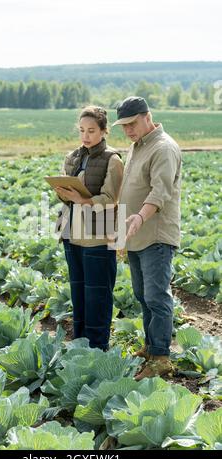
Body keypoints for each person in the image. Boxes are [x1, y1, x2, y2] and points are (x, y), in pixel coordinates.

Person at [112, 96, 181, 380]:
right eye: (124, 126)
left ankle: (161, 357)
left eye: (132, 123)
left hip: (155, 234)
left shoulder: (163, 148)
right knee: (142, 295)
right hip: (135, 234)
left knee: (156, 295)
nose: (128, 130)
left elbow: (159, 192)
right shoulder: (136, 147)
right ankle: (150, 347)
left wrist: (140, 217)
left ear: (147, 116)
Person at [55, 106, 123, 351]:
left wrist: (83, 200)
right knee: (79, 294)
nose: (85, 136)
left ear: (104, 131)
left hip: (99, 237)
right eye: (82, 130)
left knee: (98, 296)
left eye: (91, 131)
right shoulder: (72, 156)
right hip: (72, 235)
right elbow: (68, 198)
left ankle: (98, 347)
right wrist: (64, 193)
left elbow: (111, 198)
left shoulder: (112, 159)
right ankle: (80, 345)